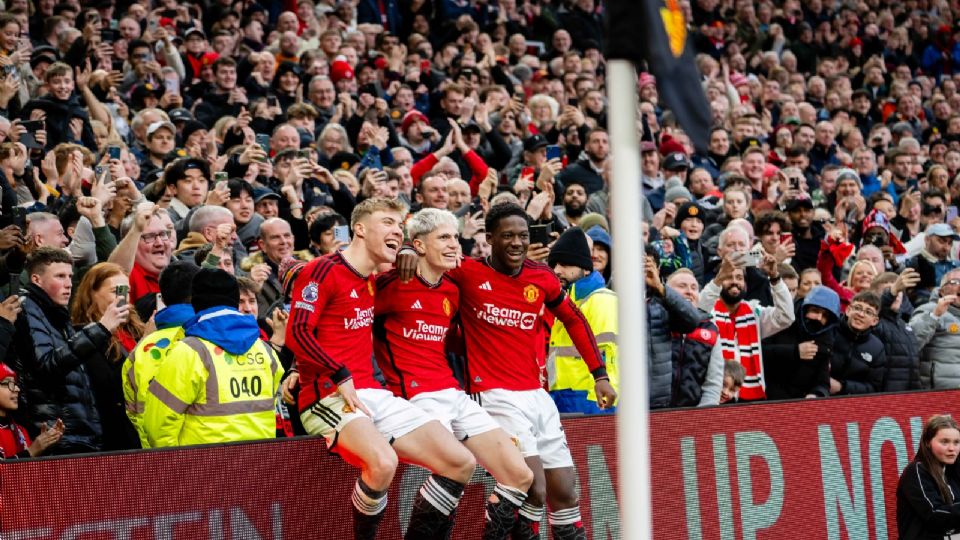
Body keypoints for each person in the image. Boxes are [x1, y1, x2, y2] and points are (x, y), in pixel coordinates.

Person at [398, 202, 617, 539]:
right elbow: (430, 270)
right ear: (490, 238)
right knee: (534, 489)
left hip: (538, 395)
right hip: (494, 393)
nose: (516, 242)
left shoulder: (540, 277)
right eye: (508, 235)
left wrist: (599, 374)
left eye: (523, 236)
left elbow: (573, 318)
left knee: (566, 494)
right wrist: (404, 249)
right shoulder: (467, 273)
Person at [285, 198, 477, 540]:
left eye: (400, 226)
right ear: (359, 228)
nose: (397, 230)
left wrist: (405, 251)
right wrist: (336, 373)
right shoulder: (322, 269)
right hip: (327, 395)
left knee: (461, 463)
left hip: (373, 393)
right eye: (388, 222)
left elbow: (410, 262)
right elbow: (297, 332)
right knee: (384, 463)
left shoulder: (375, 277)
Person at [371, 208, 534, 538]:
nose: (454, 245)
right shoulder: (389, 284)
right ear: (418, 244)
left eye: (455, 238)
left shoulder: (451, 290)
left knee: (520, 475)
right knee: (458, 466)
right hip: (413, 396)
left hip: (453, 392)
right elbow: (341, 319)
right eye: (444, 237)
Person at [142, 268, 284, 447]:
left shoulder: (189, 351)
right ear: (234, 300)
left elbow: (157, 424)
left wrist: (178, 465)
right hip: (258, 464)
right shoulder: (264, 349)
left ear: (195, 302)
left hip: (204, 468)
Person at [14, 247, 130, 455]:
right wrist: (101, 329)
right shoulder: (28, 309)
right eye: (60, 276)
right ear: (36, 279)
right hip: (57, 436)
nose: (68, 284)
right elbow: (47, 365)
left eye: (70, 276)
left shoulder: (56, 313)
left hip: (75, 434)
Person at [122, 261, 200, 448]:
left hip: (156, 458)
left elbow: (132, 411)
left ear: (163, 298)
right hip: (204, 456)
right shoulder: (209, 342)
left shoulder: (140, 350)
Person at [698, 252, 795, 401]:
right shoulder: (710, 311)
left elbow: (786, 317)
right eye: (728, 277)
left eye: (739, 278)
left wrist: (775, 278)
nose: (735, 282)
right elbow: (699, 309)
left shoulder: (754, 312)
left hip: (751, 396)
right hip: (716, 395)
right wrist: (718, 279)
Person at [70, 263, 144, 450]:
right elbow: (109, 383)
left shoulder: (137, 329)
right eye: (115, 291)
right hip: (115, 432)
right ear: (92, 294)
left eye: (126, 291)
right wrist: (144, 349)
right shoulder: (84, 336)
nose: (123, 298)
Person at [547, 227, 620, 413]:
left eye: (564, 264)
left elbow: (609, 357)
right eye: (554, 265)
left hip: (589, 403)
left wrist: (599, 409)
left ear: (586, 269)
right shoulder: (564, 301)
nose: (557, 270)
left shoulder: (603, 300)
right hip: (562, 399)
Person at [762, 285, 841, 399]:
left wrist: (817, 394)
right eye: (815, 311)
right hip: (766, 398)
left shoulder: (826, 340)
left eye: (825, 315)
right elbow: (760, 352)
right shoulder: (783, 322)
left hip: (798, 403)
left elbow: (822, 381)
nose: (819, 318)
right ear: (805, 309)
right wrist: (795, 351)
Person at [896, 414, 960, 539]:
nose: (952, 448)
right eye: (944, 442)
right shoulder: (916, 471)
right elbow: (934, 515)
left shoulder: (955, 468)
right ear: (927, 442)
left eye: (956, 442)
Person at [0, 362, 64, 458]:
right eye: (6, 383)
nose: (17, 389)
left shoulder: (20, 431)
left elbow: (29, 471)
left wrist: (45, 445)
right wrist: (32, 451)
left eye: (15, 384)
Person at [829, 291, 886, 395]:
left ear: (875, 321)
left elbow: (874, 388)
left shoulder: (877, 348)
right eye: (858, 308)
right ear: (848, 310)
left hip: (852, 404)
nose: (861, 314)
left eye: (868, 312)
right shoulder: (830, 331)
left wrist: (842, 386)